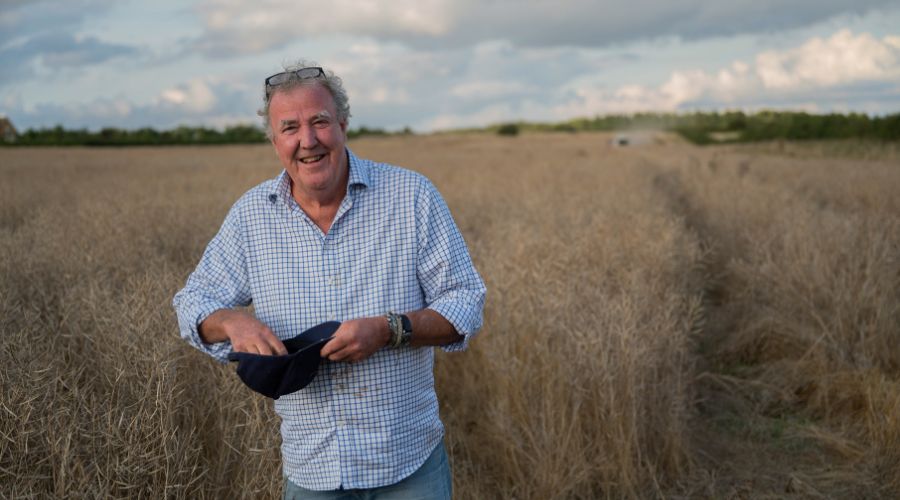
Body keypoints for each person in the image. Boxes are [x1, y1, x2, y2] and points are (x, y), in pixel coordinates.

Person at [172, 61, 486, 499]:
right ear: (274, 140)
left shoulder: (411, 196)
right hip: (312, 472)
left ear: (342, 124)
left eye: (320, 121)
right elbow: (193, 302)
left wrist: (389, 330)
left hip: (409, 466)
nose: (308, 140)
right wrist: (231, 322)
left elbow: (465, 302)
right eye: (290, 128)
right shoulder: (251, 217)